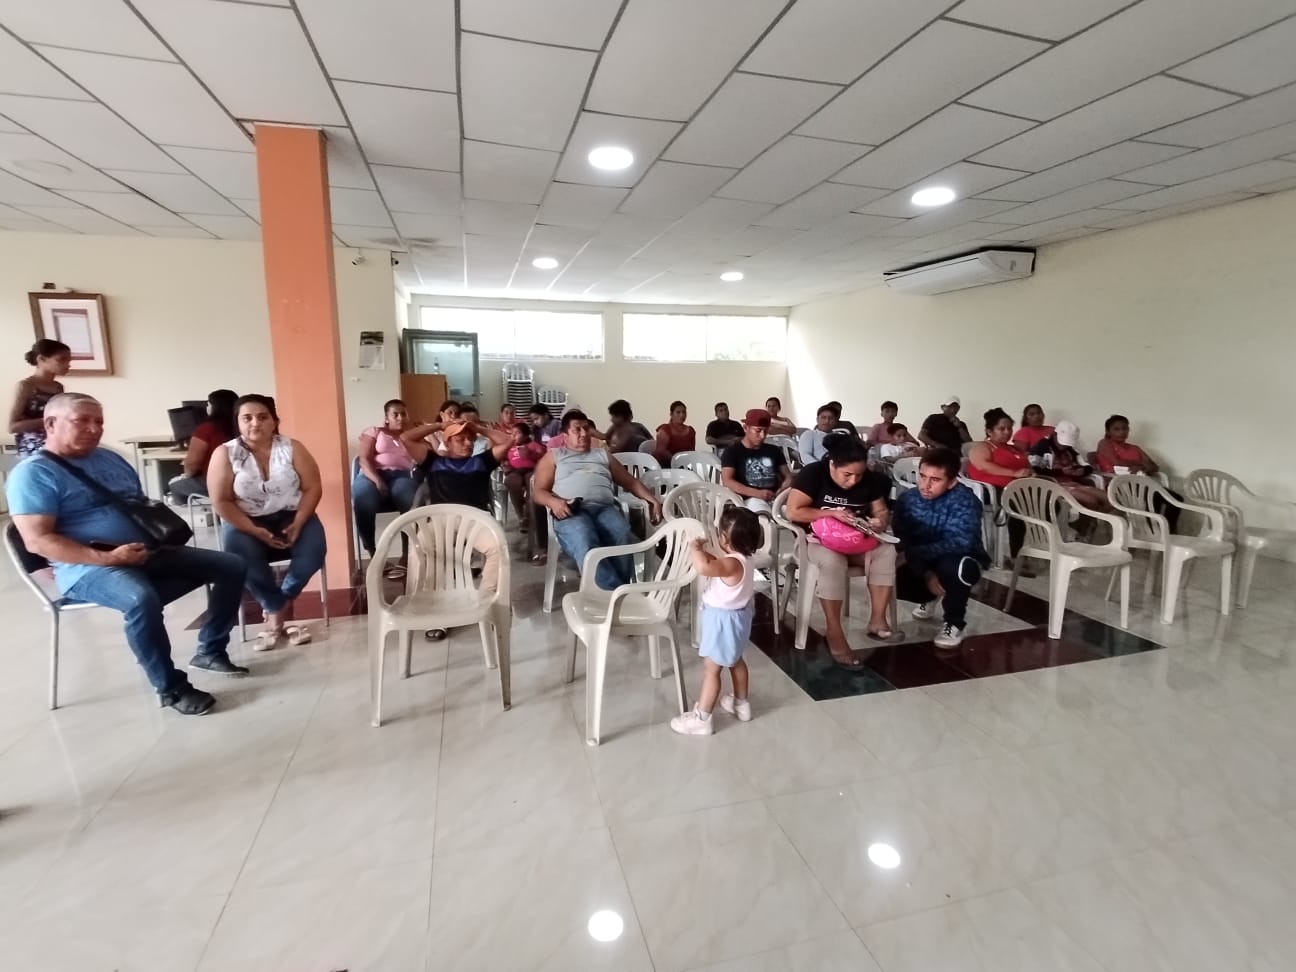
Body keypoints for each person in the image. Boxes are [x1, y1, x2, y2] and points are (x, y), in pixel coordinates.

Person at [6, 393, 249, 714]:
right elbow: (38, 541)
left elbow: (139, 506)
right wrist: (111, 558)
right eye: (83, 421)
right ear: (50, 424)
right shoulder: (34, 474)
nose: (94, 429)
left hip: (146, 553)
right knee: (140, 599)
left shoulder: (110, 459)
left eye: (99, 422)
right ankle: (172, 689)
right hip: (90, 568)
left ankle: (210, 650)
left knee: (231, 565)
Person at [208, 395, 327, 652]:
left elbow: (313, 487)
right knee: (243, 561)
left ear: (274, 421)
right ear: (238, 422)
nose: (255, 423)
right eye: (247, 418)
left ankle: (280, 602)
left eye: (263, 417)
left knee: (313, 555)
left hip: (292, 514)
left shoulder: (292, 447)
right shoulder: (225, 453)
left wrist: (299, 521)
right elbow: (221, 500)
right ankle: (276, 611)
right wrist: (253, 530)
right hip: (244, 519)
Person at [785, 434, 898, 666]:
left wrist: (879, 521)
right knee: (832, 561)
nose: (853, 481)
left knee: (886, 551)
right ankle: (834, 631)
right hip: (815, 541)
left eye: (859, 475)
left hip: (854, 541)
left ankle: (877, 620)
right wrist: (831, 513)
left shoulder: (868, 479)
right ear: (832, 465)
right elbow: (793, 511)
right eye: (847, 475)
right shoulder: (813, 474)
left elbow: (881, 510)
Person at [531, 410, 663, 591]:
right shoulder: (555, 456)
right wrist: (554, 503)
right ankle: (616, 593)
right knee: (584, 538)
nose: (584, 433)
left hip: (604, 509)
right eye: (577, 430)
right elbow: (538, 492)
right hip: (571, 510)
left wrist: (653, 500)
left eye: (586, 428)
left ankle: (613, 593)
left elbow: (630, 482)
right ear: (565, 436)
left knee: (622, 534)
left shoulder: (602, 455)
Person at [670, 507, 763, 736]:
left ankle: (702, 718)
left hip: (723, 622)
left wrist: (695, 548)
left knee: (712, 669)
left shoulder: (731, 564)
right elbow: (718, 565)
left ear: (723, 538)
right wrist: (707, 554)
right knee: (736, 660)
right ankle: (741, 704)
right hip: (739, 618)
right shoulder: (745, 560)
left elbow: (704, 568)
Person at [892, 448, 990, 649]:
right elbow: (902, 540)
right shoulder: (908, 500)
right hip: (922, 558)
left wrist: (921, 560)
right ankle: (929, 596)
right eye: (922, 476)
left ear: (952, 482)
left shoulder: (965, 501)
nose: (925, 485)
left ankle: (954, 623)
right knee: (888, 568)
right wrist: (926, 573)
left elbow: (959, 542)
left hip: (959, 557)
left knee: (954, 567)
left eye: (935, 480)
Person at [352, 398, 419, 566]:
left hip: (401, 475)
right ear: (386, 417)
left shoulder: (411, 435)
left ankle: (407, 554)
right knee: (363, 496)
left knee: (409, 497)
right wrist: (377, 481)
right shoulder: (375, 431)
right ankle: (373, 553)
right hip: (371, 474)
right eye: (395, 414)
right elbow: (364, 459)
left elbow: (424, 456)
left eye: (403, 414)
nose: (400, 418)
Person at [967, 406, 1033, 565]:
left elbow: (1027, 467)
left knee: (1052, 502)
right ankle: (1014, 555)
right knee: (1018, 504)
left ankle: (1042, 546)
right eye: (1001, 429)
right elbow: (983, 466)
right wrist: (1014, 473)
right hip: (991, 490)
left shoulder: (1013, 449)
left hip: (1019, 487)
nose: (1007, 432)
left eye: (1009, 428)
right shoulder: (982, 447)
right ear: (990, 431)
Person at [168, 388, 239, 505]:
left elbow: (192, 464)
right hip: (240, 481)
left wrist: (186, 475)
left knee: (174, 485)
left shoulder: (206, 429)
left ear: (214, 407)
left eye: (208, 404)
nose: (207, 407)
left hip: (213, 482)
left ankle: (189, 514)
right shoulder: (242, 427)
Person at [1030, 420, 1111, 513]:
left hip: (1073, 483)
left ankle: (1100, 520)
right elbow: (1034, 469)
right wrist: (1061, 472)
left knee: (1108, 499)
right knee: (1091, 501)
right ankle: (1091, 520)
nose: (1064, 446)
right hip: (1054, 484)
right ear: (1055, 434)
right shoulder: (1042, 446)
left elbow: (1086, 465)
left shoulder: (1070, 449)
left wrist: (1082, 471)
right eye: (1062, 443)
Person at [721, 408, 791, 513]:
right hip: (748, 500)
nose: (762, 436)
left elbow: (788, 477)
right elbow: (727, 481)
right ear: (746, 428)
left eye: (765, 431)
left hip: (776, 499)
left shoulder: (774, 450)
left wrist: (782, 490)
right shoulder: (732, 452)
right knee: (762, 513)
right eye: (758, 431)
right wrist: (757, 493)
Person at [10, 339, 71, 457]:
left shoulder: (58, 387)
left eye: (68, 361)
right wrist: (51, 420)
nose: (68, 365)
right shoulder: (26, 386)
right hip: (32, 446)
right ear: (41, 359)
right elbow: (12, 427)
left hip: (54, 440)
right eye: (62, 360)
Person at [502, 421, 545, 527]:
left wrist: (530, 454)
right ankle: (521, 515)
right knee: (511, 481)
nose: (514, 436)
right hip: (514, 471)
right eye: (512, 433)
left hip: (531, 470)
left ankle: (527, 514)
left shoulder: (533, 445)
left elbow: (543, 457)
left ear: (526, 435)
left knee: (532, 482)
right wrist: (505, 464)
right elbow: (503, 459)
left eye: (517, 433)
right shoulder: (509, 447)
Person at [653, 400, 696, 465]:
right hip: (663, 465)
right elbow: (661, 451)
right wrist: (677, 461)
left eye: (684, 412)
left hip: (683, 465)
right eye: (678, 412)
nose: (682, 415)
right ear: (671, 414)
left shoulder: (691, 430)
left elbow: (691, 451)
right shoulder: (664, 429)